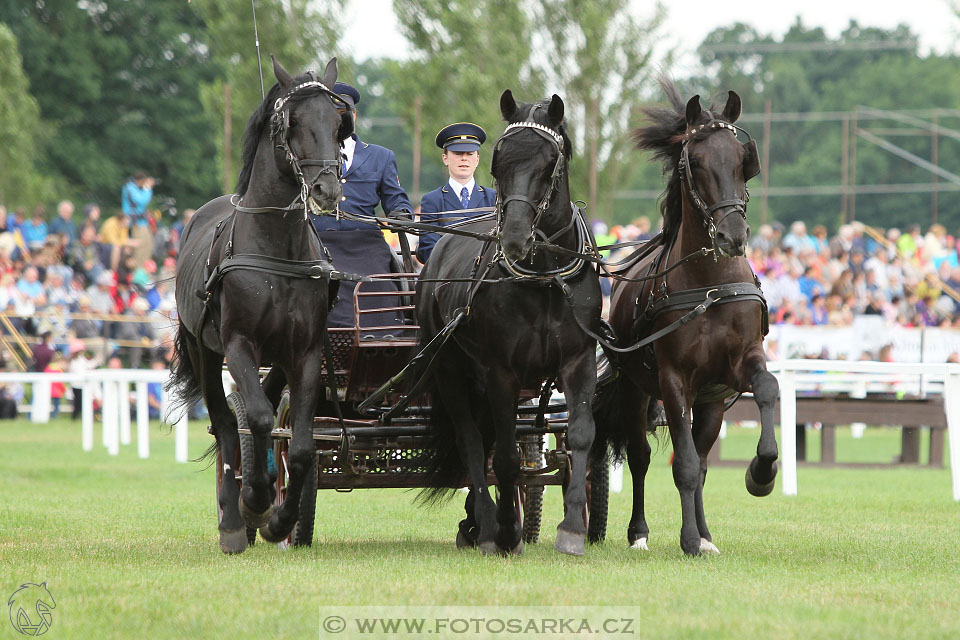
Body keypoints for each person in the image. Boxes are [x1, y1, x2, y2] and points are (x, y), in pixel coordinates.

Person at [308, 81, 414, 329]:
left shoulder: (381, 156)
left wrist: (401, 212)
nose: (338, 120)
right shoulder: (308, 156)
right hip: (317, 240)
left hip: (365, 242)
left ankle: (381, 337)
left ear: (353, 117)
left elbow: (395, 197)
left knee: (378, 283)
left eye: (343, 114)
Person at [416, 122, 496, 263]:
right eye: (458, 153)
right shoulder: (432, 200)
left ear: (477, 159)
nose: (464, 158)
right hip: (447, 278)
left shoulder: (493, 198)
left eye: (470, 154)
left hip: (484, 279)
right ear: (445, 158)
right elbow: (428, 249)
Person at [121, 171, 155, 266]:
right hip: (134, 222)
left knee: (148, 244)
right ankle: (138, 269)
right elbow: (141, 201)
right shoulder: (129, 188)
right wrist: (148, 188)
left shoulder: (137, 188)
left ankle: (144, 268)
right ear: (141, 180)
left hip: (142, 221)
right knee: (140, 246)